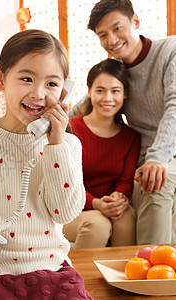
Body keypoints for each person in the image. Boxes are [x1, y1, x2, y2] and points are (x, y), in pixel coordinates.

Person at [0, 29, 93, 300]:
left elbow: (65, 213)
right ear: (0, 79)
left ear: (64, 90)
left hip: (53, 272)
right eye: (26, 79)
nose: (38, 93)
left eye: (51, 84)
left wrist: (55, 143)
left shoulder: (68, 146)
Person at [80, 0, 176, 244]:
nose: (112, 40)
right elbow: (88, 102)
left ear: (135, 21)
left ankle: (144, 269)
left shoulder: (172, 49)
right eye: (103, 35)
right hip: (153, 159)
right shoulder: (119, 74)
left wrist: (157, 159)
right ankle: (170, 271)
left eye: (117, 28)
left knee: (156, 182)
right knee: (173, 200)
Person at [63, 58, 140, 249]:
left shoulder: (131, 137)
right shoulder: (70, 129)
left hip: (107, 206)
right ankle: (79, 279)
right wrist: (96, 203)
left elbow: (125, 180)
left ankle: (123, 276)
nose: (108, 98)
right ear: (89, 92)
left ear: (124, 94)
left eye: (115, 91)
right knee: (98, 224)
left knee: (126, 216)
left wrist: (117, 197)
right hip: (71, 210)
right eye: (100, 90)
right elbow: (66, 181)